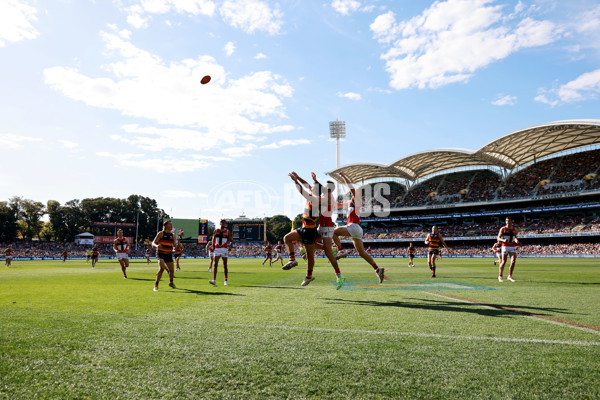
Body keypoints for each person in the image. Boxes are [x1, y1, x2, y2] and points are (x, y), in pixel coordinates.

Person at [332, 172, 386, 283]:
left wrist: (344, 177)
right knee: (362, 253)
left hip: (353, 226)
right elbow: (338, 204)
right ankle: (377, 269)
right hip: (357, 229)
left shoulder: (357, 199)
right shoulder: (353, 202)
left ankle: (340, 250)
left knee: (333, 232)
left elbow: (350, 187)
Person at [295, 172, 345, 289]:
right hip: (322, 226)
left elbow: (308, 193)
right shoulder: (326, 194)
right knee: (309, 242)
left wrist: (297, 182)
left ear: (329, 189)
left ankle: (339, 275)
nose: (323, 186)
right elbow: (310, 187)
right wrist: (301, 178)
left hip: (327, 227)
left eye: (325, 186)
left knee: (327, 253)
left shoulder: (327, 197)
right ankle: (325, 251)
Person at [282, 171, 322, 286]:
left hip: (310, 230)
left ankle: (309, 276)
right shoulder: (313, 195)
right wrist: (299, 177)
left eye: (312, 188)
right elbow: (306, 185)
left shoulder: (314, 198)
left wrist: (295, 181)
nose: (310, 187)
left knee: (310, 256)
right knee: (287, 238)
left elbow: (301, 190)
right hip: (304, 228)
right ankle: (292, 259)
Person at [152, 220, 177, 291]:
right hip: (160, 253)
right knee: (162, 268)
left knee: (171, 270)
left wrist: (175, 249)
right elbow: (153, 243)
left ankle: (171, 282)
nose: (171, 226)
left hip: (168, 254)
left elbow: (174, 246)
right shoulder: (161, 233)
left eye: (171, 224)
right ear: (165, 226)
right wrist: (157, 245)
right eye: (169, 224)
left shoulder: (173, 236)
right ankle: (156, 286)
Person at [210, 219, 232, 286]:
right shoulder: (216, 231)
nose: (223, 224)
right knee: (215, 264)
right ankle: (214, 280)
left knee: (225, 265)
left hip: (224, 249)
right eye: (222, 223)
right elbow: (213, 239)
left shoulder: (227, 231)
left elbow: (231, 241)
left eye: (224, 223)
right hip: (217, 249)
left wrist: (230, 246)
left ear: (225, 224)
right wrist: (213, 246)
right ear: (220, 223)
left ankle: (226, 280)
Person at [497, 217, 519, 282]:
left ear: (511, 221)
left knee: (513, 261)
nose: (507, 222)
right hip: (505, 246)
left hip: (512, 246)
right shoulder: (503, 229)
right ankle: (500, 276)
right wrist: (503, 240)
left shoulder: (514, 229)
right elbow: (498, 238)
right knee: (503, 261)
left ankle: (510, 276)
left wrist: (516, 240)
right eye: (506, 220)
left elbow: (515, 237)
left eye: (509, 221)